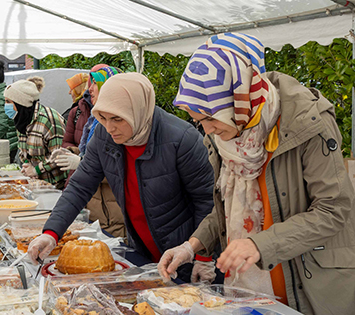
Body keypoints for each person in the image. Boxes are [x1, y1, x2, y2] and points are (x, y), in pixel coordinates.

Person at [159, 32, 355, 315]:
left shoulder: (308, 123)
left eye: (210, 118)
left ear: (238, 100)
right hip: (248, 286)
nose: (207, 129)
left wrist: (259, 244)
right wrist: (191, 246)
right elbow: (224, 208)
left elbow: (333, 210)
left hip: (308, 288)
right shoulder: (224, 136)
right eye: (199, 121)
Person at [27, 73, 215, 278]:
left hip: (183, 253)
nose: (110, 127)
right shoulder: (103, 136)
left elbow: (206, 201)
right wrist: (51, 233)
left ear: (138, 111)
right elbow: (80, 186)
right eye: (103, 118)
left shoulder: (182, 139)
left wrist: (202, 255)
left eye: (117, 119)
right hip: (141, 249)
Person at [54, 66, 126, 237]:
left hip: (114, 215)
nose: (90, 88)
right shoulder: (94, 119)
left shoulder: (120, 125)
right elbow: (91, 152)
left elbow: (122, 170)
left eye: (95, 83)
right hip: (95, 210)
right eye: (89, 83)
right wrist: (71, 153)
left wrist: (82, 163)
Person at [4, 76, 68, 189]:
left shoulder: (49, 120)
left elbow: (60, 155)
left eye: (8, 102)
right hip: (37, 185)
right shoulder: (22, 119)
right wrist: (27, 166)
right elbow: (26, 152)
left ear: (20, 103)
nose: (6, 106)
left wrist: (36, 170)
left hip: (57, 187)